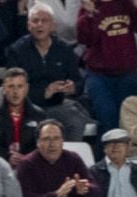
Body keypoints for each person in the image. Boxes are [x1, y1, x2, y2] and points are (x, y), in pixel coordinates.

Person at [6, 5, 92, 140]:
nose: (39, 24)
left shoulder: (64, 49)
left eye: (44, 20)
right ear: (29, 25)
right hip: (29, 107)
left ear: (53, 25)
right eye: (35, 21)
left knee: (76, 122)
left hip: (57, 105)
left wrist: (73, 87)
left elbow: (78, 80)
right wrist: (45, 92)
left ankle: (67, 158)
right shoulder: (16, 51)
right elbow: (13, 89)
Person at [78, 0, 137, 134]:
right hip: (99, 76)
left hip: (128, 73)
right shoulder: (89, 5)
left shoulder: (127, 3)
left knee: (130, 123)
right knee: (107, 121)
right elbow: (85, 39)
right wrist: (90, 15)